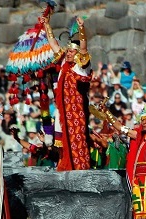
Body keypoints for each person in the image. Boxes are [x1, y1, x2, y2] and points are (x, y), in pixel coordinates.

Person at [41, 15, 92, 171]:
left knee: (77, 142)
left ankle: (80, 169)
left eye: (72, 52)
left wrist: (81, 29)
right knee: (61, 143)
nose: (68, 53)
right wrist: (47, 26)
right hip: (62, 111)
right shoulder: (64, 62)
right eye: (68, 51)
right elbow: (54, 44)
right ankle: (63, 166)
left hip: (76, 112)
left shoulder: (81, 67)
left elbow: (83, 48)